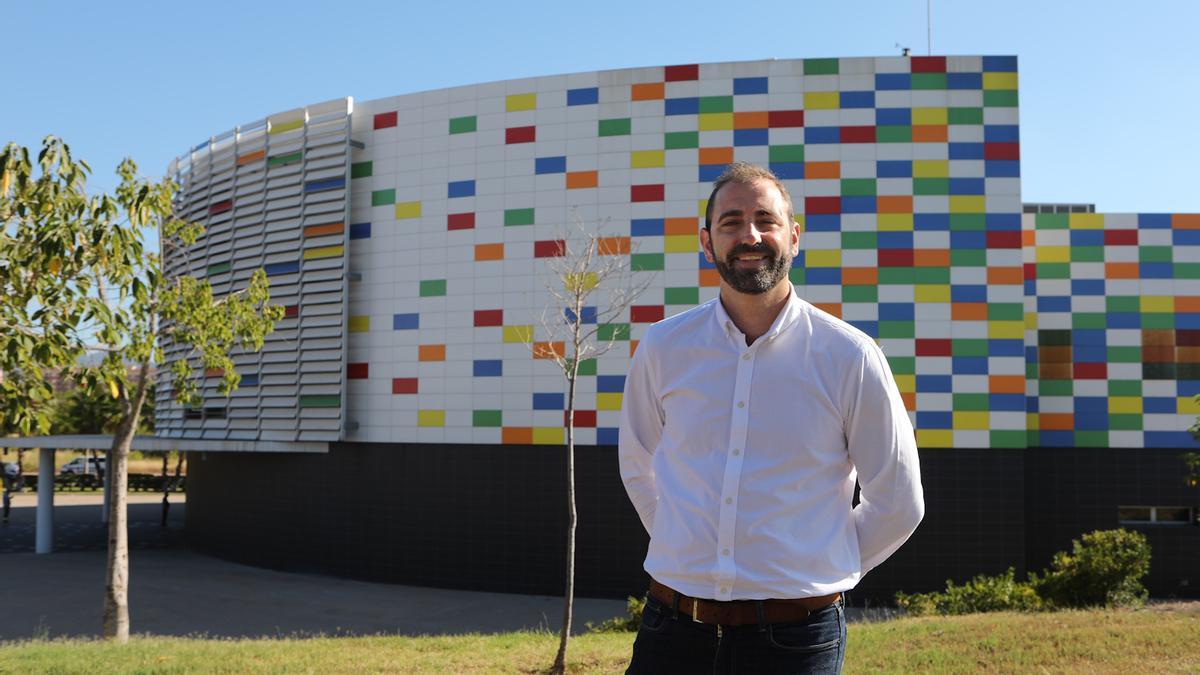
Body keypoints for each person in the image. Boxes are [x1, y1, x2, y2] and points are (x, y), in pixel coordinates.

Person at [618, 162, 925, 673]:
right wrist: (683, 542)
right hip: (670, 629)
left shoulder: (849, 355)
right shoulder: (664, 347)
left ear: (795, 237)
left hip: (796, 640)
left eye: (766, 219)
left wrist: (816, 563)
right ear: (707, 241)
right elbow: (638, 464)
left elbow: (898, 501)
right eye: (731, 222)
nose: (750, 235)